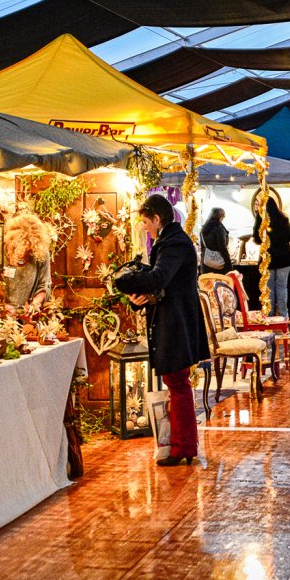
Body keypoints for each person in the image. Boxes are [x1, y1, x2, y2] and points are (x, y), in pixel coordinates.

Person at [114, 194, 208, 467]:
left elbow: (159, 278)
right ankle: (183, 444)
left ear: (157, 218)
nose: (144, 227)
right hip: (173, 320)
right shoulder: (170, 241)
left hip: (176, 323)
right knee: (175, 381)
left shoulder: (174, 242)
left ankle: (182, 446)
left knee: (177, 382)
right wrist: (140, 296)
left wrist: (127, 282)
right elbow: (163, 285)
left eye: (145, 221)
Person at [252, 197, 290, 318]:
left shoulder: (261, 220)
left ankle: (270, 315)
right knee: (282, 287)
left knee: (270, 288)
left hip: (268, 258)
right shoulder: (283, 219)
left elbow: (256, 238)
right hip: (284, 258)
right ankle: (283, 315)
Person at [3, 211, 52, 311]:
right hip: (2, 314)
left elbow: (44, 284)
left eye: (29, 250)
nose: (25, 253)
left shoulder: (41, 252)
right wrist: (3, 305)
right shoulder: (2, 251)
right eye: (22, 248)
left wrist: (35, 303)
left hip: (27, 315)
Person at [199, 207, 232, 274]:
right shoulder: (219, 229)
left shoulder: (203, 229)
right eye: (223, 216)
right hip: (219, 266)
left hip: (206, 264)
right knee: (219, 284)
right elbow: (222, 248)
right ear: (220, 216)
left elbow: (203, 248)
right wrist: (229, 264)